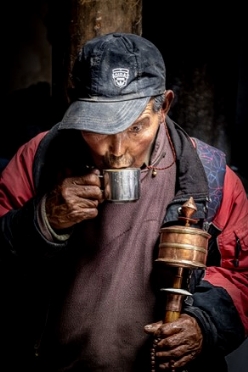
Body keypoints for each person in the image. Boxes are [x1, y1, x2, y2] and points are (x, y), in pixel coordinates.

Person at [0, 32, 247, 372]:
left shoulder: (211, 176)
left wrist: (204, 324)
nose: (117, 153)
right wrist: (43, 220)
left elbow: (240, 274)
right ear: (75, 103)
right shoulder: (37, 159)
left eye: (136, 128)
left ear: (165, 107)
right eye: (100, 129)